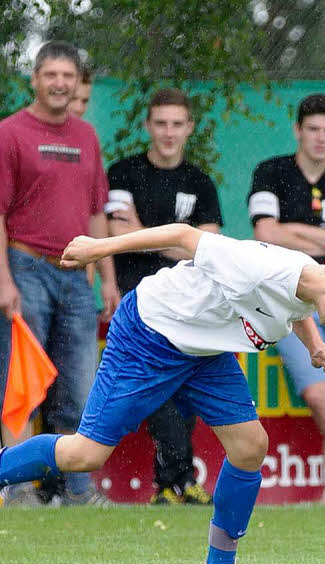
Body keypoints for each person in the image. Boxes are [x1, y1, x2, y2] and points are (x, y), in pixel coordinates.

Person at [0, 226, 325, 564]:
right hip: (150, 334)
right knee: (84, 455)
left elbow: (297, 308)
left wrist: (315, 347)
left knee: (250, 447)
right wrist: (100, 247)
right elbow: (183, 234)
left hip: (204, 352)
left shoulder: (316, 286)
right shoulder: (265, 266)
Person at [0, 40, 119, 507]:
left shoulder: (87, 136)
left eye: (68, 76)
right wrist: (0, 281)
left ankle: (79, 493)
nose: (59, 83)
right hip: (24, 267)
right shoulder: (8, 134)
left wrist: (107, 277)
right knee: (21, 389)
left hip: (76, 274)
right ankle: (13, 489)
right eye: (50, 74)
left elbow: (98, 214)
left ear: (78, 84)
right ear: (34, 79)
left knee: (79, 388)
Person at [248, 94, 325, 503]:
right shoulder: (270, 173)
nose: (320, 138)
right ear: (298, 130)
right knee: (317, 392)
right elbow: (265, 233)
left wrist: (295, 231)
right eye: (312, 129)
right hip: (289, 298)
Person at [107, 88, 223, 506]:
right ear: (147, 126)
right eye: (161, 123)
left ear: (189, 127)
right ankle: (177, 482)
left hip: (187, 303)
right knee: (155, 390)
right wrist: (178, 238)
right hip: (136, 304)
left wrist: (142, 235)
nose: (169, 132)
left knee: (182, 388)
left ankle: (172, 485)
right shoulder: (123, 173)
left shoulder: (200, 183)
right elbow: (114, 234)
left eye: (177, 124)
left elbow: (209, 248)